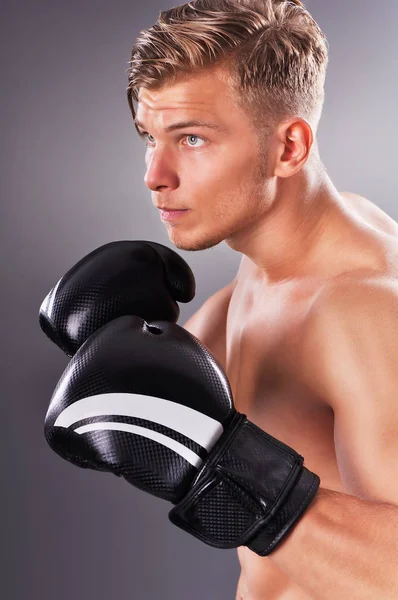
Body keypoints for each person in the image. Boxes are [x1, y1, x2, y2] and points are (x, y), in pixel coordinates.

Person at [124, 0, 398, 598]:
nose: (155, 174)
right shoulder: (265, 270)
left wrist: (243, 487)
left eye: (191, 138)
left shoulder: (358, 311)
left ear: (289, 148)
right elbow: (160, 405)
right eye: (150, 137)